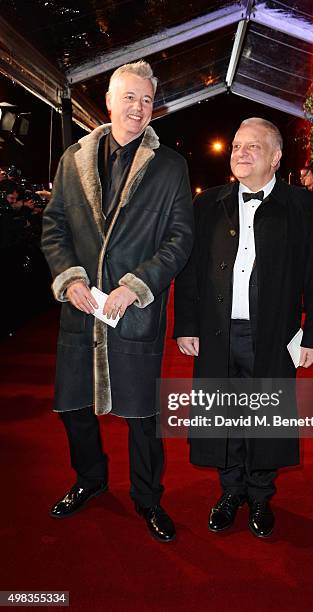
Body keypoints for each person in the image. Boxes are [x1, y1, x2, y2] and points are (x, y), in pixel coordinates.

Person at [41, 61, 193, 542]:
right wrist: (69, 279)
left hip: (134, 313)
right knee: (73, 408)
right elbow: (54, 227)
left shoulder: (170, 166)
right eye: (129, 97)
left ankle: (148, 499)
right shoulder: (74, 159)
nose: (138, 108)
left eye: (147, 100)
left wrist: (137, 285)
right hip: (81, 312)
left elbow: (180, 238)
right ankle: (90, 479)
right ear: (108, 101)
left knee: (142, 416)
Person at [174, 118, 313, 538]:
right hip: (216, 333)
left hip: (273, 335)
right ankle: (230, 492)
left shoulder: (304, 207)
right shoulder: (207, 203)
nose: (241, 153)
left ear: (277, 158)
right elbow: (189, 270)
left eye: (254, 147)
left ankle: (261, 495)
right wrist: (185, 325)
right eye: (237, 146)